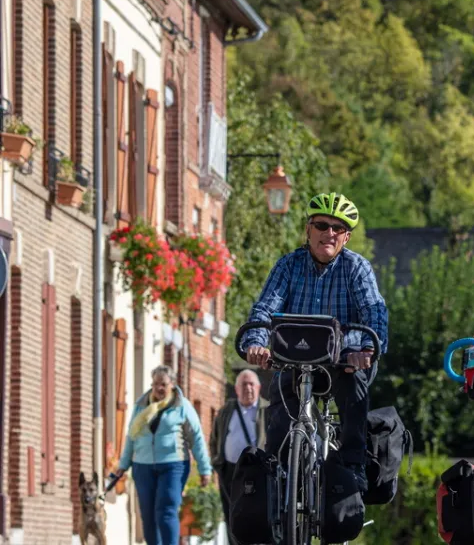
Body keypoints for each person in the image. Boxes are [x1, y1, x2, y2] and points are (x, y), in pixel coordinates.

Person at [237, 192, 389, 491]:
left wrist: (366, 349)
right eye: (321, 225)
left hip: (341, 360)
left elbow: (374, 310)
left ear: (346, 237)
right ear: (308, 229)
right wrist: (257, 342)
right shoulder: (288, 265)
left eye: (337, 228)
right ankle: (278, 475)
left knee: (353, 388)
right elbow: (265, 308)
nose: (328, 233)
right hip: (294, 359)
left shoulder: (356, 268)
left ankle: (353, 464)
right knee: (279, 406)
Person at [115, 365, 212, 545]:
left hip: (173, 465)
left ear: (173, 385)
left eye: (164, 384)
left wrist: (204, 469)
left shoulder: (182, 406)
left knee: (166, 510)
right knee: (148, 514)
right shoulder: (141, 406)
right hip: (142, 465)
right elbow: (131, 436)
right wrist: (123, 464)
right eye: (156, 384)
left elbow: (196, 437)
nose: (160, 388)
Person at [209, 369, 269, 545]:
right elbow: (214, 438)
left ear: (258, 388)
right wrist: (217, 463)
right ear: (236, 389)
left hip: (258, 472)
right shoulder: (227, 410)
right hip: (230, 471)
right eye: (244, 384)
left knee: (257, 514)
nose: (248, 388)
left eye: (251, 384)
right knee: (232, 515)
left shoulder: (267, 409)